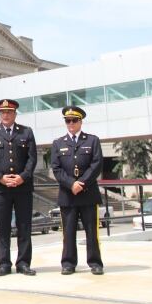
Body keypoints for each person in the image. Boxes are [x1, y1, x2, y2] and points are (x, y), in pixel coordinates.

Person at [0, 99, 37, 276]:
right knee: (2, 227)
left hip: (23, 187)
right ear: (0, 114)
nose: (5, 115)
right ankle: (4, 263)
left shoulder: (26, 132)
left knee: (24, 226)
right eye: (2, 112)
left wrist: (22, 177)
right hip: (1, 189)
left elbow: (32, 159)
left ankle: (23, 263)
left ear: (14, 114)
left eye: (9, 112)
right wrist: (0, 178)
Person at [51, 106, 104, 275]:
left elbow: (96, 165)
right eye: (68, 121)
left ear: (81, 121)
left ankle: (95, 263)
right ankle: (68, 263)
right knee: (68, 232)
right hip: (68, 195)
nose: (71, 123)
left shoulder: (92, 140)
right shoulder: (58, 143)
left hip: (88, 193)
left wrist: (81, 183)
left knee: (91, 232)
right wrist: (71, 184)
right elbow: (56, 168)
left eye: (74, 120)